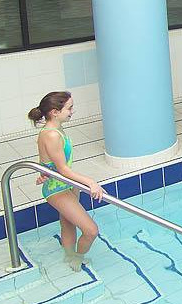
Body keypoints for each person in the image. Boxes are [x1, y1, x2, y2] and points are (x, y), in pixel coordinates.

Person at [29, 91, 105, 271]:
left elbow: (48, 161)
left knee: (68, 222)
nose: (72, 111)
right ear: (55, 112)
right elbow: (63, 169)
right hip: (57, 189)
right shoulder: (51, 135)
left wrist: (45, 171)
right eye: (69, 108)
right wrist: (91, 182)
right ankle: (77, 257)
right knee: (91, 231)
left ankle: (69, 256)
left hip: (65, 184)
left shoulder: (56, 129)